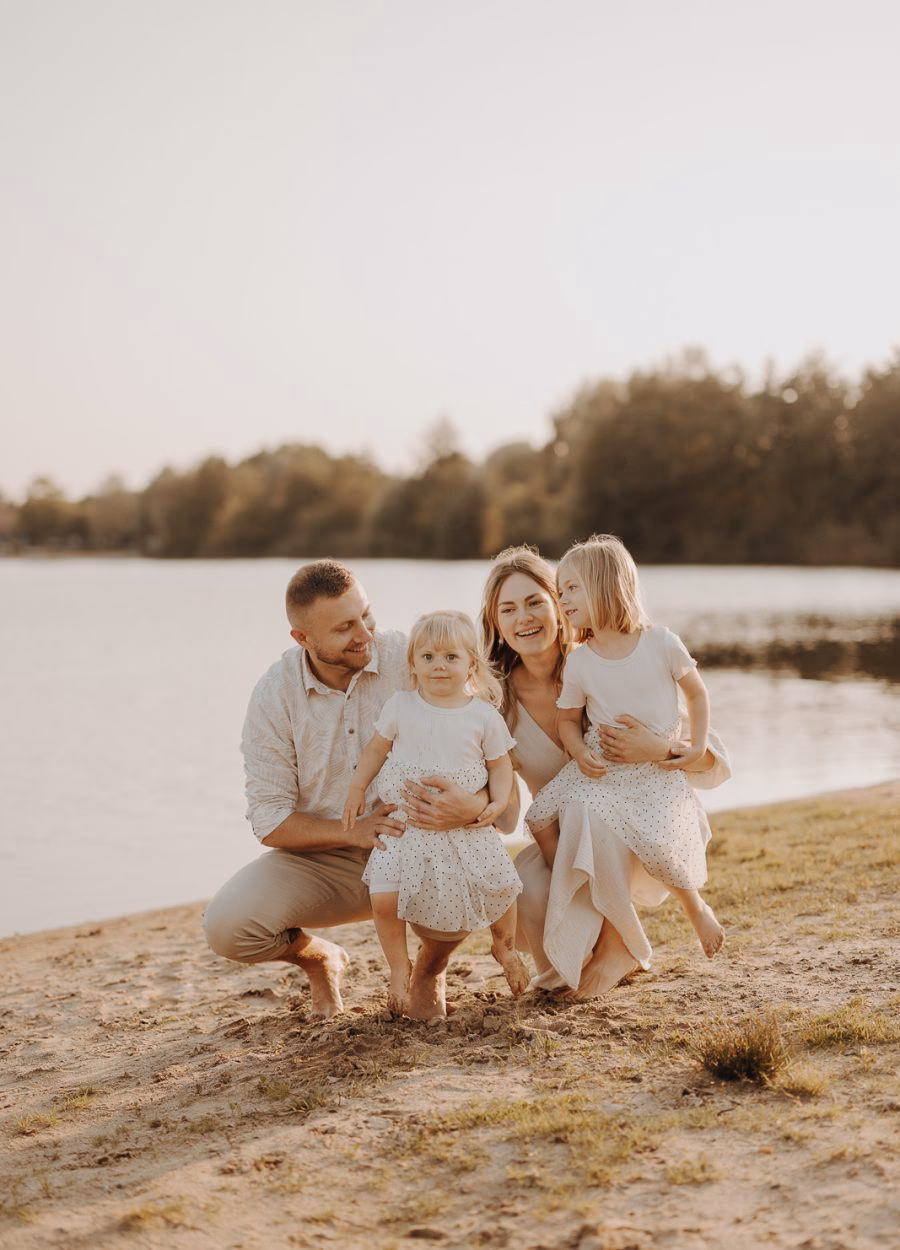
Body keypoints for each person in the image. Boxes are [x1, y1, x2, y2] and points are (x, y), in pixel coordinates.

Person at [203, 561, 489, 1020]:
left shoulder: (411, 658)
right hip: (325, 859)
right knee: (228, 928)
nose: (364, 634)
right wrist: (352, 831)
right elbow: (270, 820)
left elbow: (482, 733)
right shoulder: (274, 695)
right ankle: (320, 960)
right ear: (302, 638)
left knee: (477, 867)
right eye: (344, 628)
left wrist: (473, 805)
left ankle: (429, 970)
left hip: (420, 843)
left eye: (366, 615)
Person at [479, 545, 731, 1000]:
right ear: (495, 622)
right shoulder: (496, 700)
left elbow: (710, 757)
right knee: (529, 883)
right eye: (508, 609)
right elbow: (505, 810)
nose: (524, 618)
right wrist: (467, 801)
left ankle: (618, 947)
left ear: (560, 604)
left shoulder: (608, 658)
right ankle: (587, 958)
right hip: (564, 841)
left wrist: (661, 748)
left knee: (593, 815)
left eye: (535, 601)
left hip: (643, 821)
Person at [343, 610, 529, 1013]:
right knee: (383, 896)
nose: (438, 665)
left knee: (501, 887)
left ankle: (505, 946)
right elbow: (376, 749)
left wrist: (497, 803)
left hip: (466, 828)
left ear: (471, 665)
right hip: (404, 824)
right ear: (413, 663)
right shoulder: (401, 705)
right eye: (427, 657)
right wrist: (357, 788)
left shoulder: (483, 715)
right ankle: (399, 967)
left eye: (450, 657)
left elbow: (500, 765)